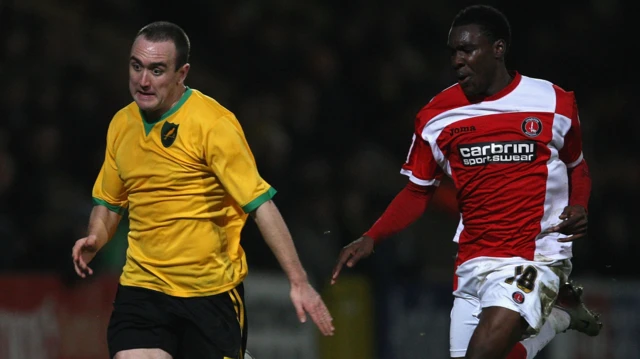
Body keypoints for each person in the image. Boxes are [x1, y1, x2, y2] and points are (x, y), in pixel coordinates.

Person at [331, 5, 601, 359]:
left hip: (536, 255)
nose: (457, 60)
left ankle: (557, 310)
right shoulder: (436, 116)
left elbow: (577, 168)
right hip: (473, 260)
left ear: (498, 49)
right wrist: (372, 236)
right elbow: (417, 191)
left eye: (467, 50)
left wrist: (579, 205)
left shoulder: (553, 101)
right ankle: (560, 317)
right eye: (453, 52)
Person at [71, 21, 334, 359]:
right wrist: (96, 236)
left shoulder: (214, 124)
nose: (143, 80)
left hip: (210, 294)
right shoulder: (121, 124)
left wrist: (298, 280)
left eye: (157, 70)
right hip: (143, 288)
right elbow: (109, 202)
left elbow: (261, 205)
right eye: (136, 67)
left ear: (182, 73)